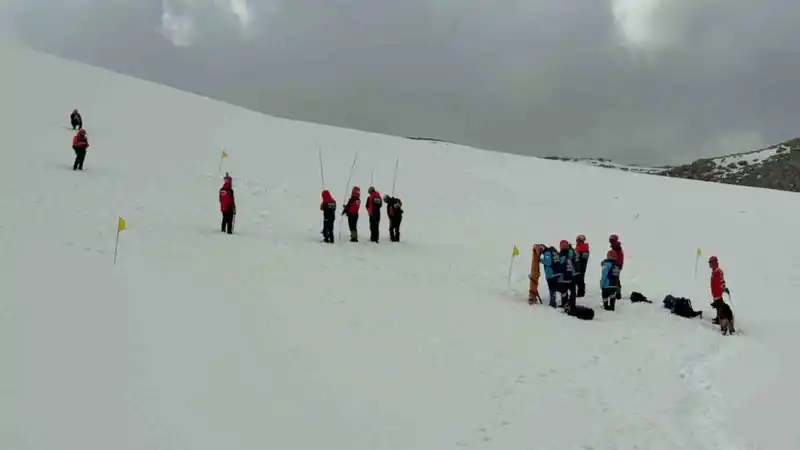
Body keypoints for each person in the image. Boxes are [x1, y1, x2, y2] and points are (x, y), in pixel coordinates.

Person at [708, 255, 732, 328]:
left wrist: (723, 288)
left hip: (718, 292)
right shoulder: (714, 271)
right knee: (717, 306)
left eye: (710, 262)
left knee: (719, 306)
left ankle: (721, 319)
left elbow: (721, 281)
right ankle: (718, 317)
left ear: (714, 263)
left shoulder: (718, 271)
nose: (709, 264)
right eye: (709, 263)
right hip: (715, 292)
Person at [556, 239, 578, 308]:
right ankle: (572, 303)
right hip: (572, 275)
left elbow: (559, 266)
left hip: (564, 277)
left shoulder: (561, 256)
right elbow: (575, 263)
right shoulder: (572, 254)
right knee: (572, 291)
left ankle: (564, 303)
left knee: (564, 291)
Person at [609, 234, 625, 299]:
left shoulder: (616, 247)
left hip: (617, 265)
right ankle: (617, 292)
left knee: (616, 279)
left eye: (611, 240)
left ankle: (618, 294)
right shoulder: (615, 246)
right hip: (617, 264)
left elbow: (615, 257)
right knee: (615, 279)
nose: (610, 241)